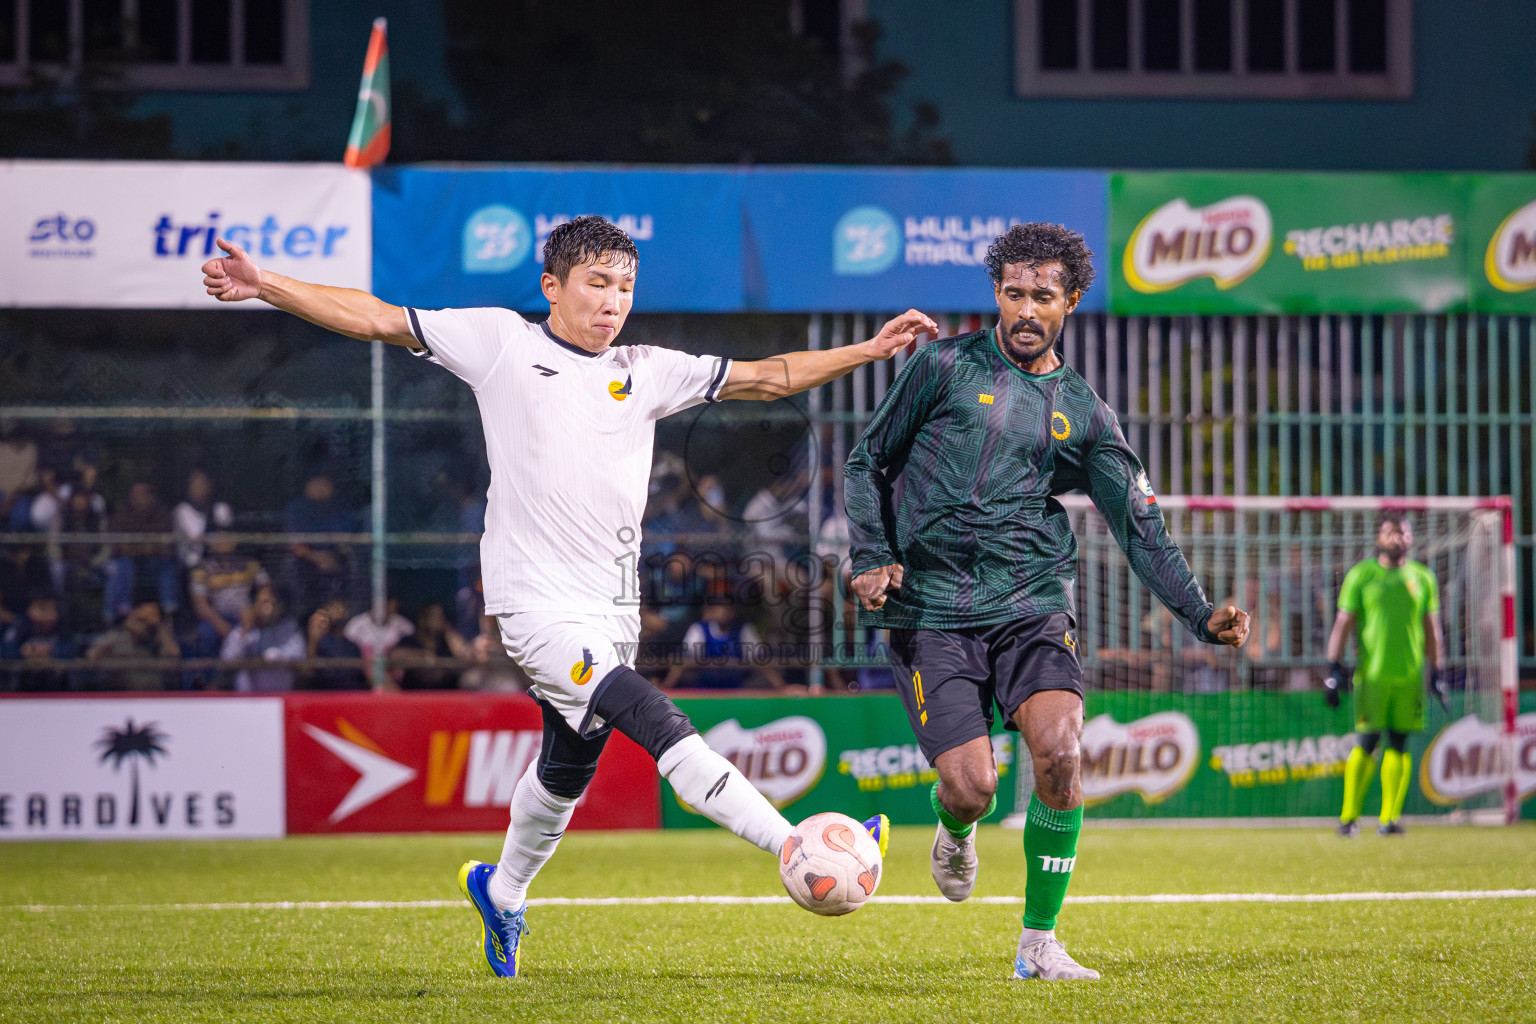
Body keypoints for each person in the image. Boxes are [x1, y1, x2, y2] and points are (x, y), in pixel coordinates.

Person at [201, 214, 932, 978]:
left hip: (611, 611)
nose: (614, 301)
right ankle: (792, 842)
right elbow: (379, 317)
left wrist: (871, 350)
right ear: (552, 288)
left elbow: (765, 375)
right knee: (656, 719)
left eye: (625, 287)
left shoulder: (648, 369)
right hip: (533, 608)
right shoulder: (502, 345)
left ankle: (502, 890)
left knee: (566, 766)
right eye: (597, 283)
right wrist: (267, 287)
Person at [845, 223, 1251, 982]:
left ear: (1071, 301)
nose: (1025, 309)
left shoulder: (1086, 414)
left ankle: (1038, 943)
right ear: (996, 293)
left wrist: (1199, 613)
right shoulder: (941, 366)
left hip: (1033, 600)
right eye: (1013, 293)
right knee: (971, 788)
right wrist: (872, 555)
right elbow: (867, 462)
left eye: (1043, 296)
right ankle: (953, 827)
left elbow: (1142, 529)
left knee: (1062, 756)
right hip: (932, 608)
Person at [1324, 515, 1444, 837]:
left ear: (1411, 538)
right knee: (1367, 741)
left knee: (1400, 743)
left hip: (1409, 678)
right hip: (1372, 677)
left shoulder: (1423, 577)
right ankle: (1348, 818)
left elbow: (1432, 629)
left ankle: (1389, 819)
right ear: (1379, 536)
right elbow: (1343, 624)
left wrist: (1437, 671)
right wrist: (1332, 670)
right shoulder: (1361, 575)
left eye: (1403, 533)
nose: (1397, 538)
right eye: (1391, 533)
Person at [659, 601, 788, 691]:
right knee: (679, 661)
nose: (722, 613)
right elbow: (684, 660)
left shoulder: (743, 629)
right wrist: (667, 686)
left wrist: (781, 688)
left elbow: (760, 660)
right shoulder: (699, 629)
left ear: (732, 612)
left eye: (726, 610)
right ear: (711, 612)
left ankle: (782, 688)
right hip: (703, 686)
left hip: (737, 686)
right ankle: (666, 688)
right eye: (718, 609)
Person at [220, 584, 305, 692]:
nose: (268, 607)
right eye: (264, 602)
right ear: (254, 605)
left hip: (278, 697)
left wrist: (275, 655)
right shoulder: (243, 629)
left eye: (272, 602)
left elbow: (298, 654)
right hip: (247, 698)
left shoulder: (288, 627)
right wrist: (245, 631)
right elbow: (227, 659)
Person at [87, 601, 181, 691]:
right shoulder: (116, 637)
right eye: (140, 620)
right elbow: (91, 655)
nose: (141, 625)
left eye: (146, 621)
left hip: (154, 697)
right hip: (122, 695)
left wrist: (158, 627)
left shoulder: (158, 639)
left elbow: (175, 654)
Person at [395, 601, 476, 690]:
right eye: (434, 616)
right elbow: (395, 655)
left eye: (441, 616)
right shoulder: (411, 640)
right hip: (415, 694)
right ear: (423, 619)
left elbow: (467, 656)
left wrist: (447, 630)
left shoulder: (446, 641)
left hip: (446, 696)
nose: (439, 620)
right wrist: (424, 655)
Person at [172, 469, 234, 571]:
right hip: (190, 565)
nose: (200, 488)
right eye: (195, 484)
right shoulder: (181, 511)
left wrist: (204, 540)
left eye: (203, 483)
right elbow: (182, 545)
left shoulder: (221, 508)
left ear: (210, 485)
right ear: (189, 488)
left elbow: (227, 542)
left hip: (221, 564)